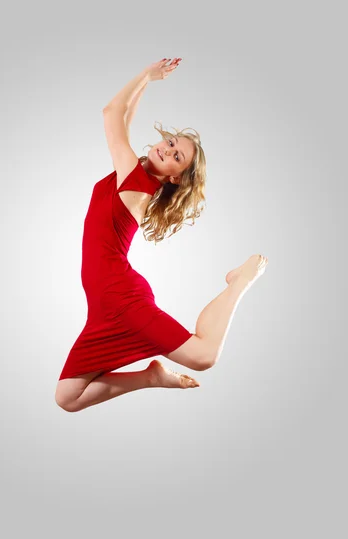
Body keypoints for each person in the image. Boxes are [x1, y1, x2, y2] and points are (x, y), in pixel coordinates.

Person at [55, 58, 268, 412]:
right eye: (170, 142)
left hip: (122, 300)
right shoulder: (135, 170)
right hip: (105, 304)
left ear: (174, 177)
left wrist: (145, 76)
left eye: (176, 156)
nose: (167, 149)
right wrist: (146, 85)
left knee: (204, 356)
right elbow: (123, 119)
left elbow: (111, 113)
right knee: (67, 398)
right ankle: (150, 377)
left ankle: (239, 281)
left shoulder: (135, 182)